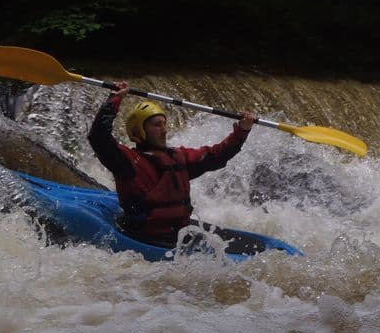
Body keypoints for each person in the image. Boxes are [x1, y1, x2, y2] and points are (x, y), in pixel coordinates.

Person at [87, 81, 257, 247]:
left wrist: (242, 130)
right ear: (139, 131)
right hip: (147, 239)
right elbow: (98, 137)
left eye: (164, 124)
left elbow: (216, 156)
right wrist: (115, 99)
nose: (164, 130)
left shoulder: (178, 157)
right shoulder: (127, 161)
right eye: (157, 125)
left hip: (180, 237)